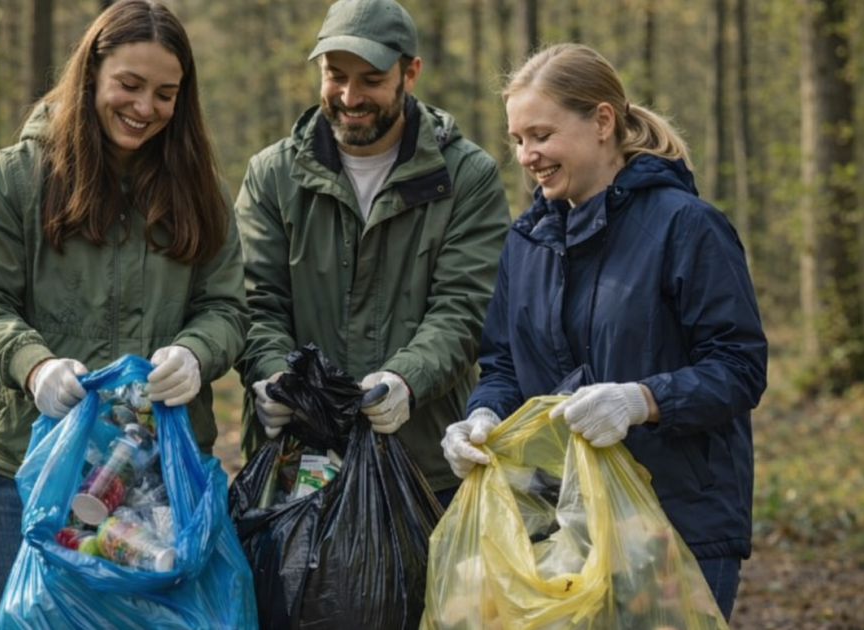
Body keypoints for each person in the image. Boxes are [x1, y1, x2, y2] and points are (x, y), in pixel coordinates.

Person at [440, 43, 768, 621]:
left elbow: (739, 369)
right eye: (517, 140)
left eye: (540, 135)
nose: (526, 156)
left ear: (601, 121)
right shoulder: (527, 241)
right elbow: (504, 365)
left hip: (678, 522)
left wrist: (642, 400)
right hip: (562, 521)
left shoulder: (688, 227)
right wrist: (483, 415)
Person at [0, 0, 246, 604]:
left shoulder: (201, 191)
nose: (145, 108)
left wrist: (195, 353)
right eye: (129, 85)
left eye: (165, 94)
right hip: (26, 470)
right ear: (91, 75)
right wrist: (35, 366)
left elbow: (227, 308)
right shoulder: (16, 177)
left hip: (157, 480)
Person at [233, 0, 511, 507]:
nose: (349, 96)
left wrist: (407, 378)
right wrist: (272, 374)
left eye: (372, 79)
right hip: (297, 464)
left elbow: (466, 307)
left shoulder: (466, 177)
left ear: (411, 73)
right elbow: (256, 302)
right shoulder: (273, 175)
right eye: (335, 76)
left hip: (427, 466)